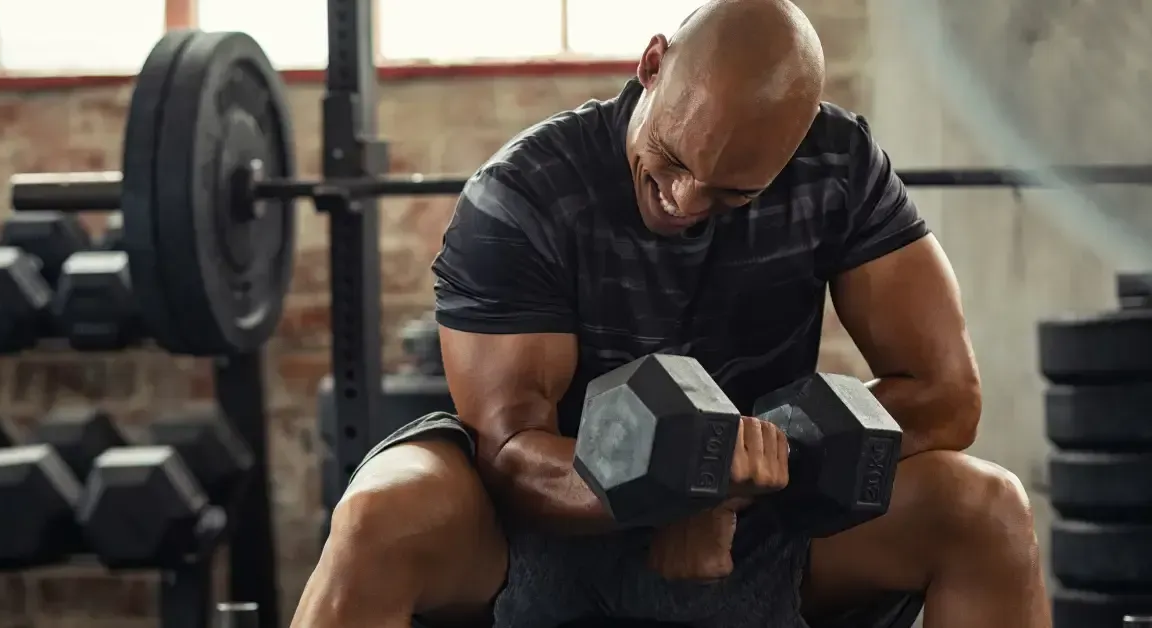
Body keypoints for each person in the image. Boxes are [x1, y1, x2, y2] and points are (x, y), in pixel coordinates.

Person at [290, 0, 1051, 627]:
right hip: (545, 529)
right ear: (652, 64)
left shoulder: (837, 166)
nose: (685, 202)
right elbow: (513, 450)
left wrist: (745, 477)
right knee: (378, 517)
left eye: (732, 192)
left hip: (758, 524)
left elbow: (947, 394)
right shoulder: (525, 194)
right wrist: (683, 485)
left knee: (986, 510)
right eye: (675, 160)